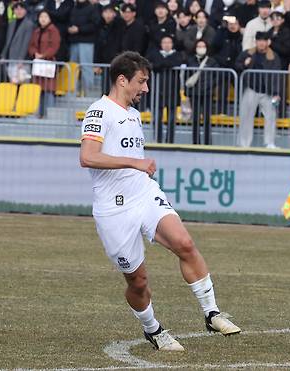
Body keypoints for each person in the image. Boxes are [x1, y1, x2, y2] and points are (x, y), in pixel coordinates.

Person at [79, 52, 241, 351]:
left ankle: (211, 313)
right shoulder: (99, 112)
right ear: (122, 80)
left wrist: (137, 170)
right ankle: (153, 329)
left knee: (185, 243)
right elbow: (87, 157)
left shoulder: (134, 113)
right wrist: (134, 163)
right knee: (138, 282)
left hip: (144, 193)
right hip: (114, 209)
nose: (146, 89)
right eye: (141, 81)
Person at [235, 31, 282, 148]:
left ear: (268, 42)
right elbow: (237, 66)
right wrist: (244, 65)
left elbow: (277, 76)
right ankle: (244, 144)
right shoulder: (247, 53)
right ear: (256, 41)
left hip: (268, 92)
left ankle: (269, 142)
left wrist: (277, 93)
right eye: (259, 40)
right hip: (251, 89)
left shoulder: (274, 57)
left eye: (264, 41)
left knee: (271, 117)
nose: (261, 43)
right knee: (245, 117)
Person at [146, 35, 184, 143]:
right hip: (158, 91)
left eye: (169, 42)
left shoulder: (177, 54)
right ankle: (157, 139)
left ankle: (170, 140)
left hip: (172, 90)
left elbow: (175, 63)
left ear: (172, 44)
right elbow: (152, 64)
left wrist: (161, 65)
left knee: (171, 119)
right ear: (161, 44)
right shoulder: (155, 54)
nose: (167, 45)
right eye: (164, 42)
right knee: (157, 118)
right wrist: (164, 65)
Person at [185, 39, 220, 145]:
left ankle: (207, 142)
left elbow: (217, 76)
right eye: (199, 46)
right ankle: (195, 142)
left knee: (206, 119)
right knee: (195, 119)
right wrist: (188, 92)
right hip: (194, 94)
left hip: (207, 93)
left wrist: (210, 86)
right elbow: (187, 77)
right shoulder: (190, 60)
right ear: (195, 48)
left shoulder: (212, 61)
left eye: (203, 46)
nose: (201, 48)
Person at [28, 9, 60, 118]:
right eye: (41, 17)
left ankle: (48, 115)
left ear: (49, 18)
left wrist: (44, 55)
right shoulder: (36, 31)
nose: (43, 19)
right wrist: (35, 53)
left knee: (49, 88)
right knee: (38, 88)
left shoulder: (53, 30)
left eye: (45, 17)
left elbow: (54, 46)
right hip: (37, 63)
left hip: (48, 63)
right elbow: (31, 45)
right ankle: (38, 114)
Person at [68, 0, 100, 96]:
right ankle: (72, 93)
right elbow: (68, 21)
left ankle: (88, 93)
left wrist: (79, 29)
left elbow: (95, 25)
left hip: (87, 42)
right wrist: (69, 28)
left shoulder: (92, 8)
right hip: (73, 41)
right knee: (72, 67)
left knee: (86, 67)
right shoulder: (73, 8)